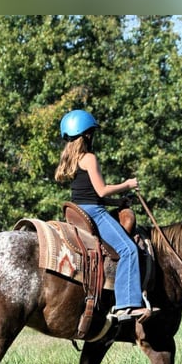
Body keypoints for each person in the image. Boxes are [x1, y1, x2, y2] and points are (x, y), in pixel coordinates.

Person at [55, 109, 155, 322]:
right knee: (128, 250)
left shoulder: (73, 160)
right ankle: (125, 305)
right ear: (88, 135)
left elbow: (87, 195)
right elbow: (100, 191)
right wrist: (127, 184)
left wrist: (116, 203)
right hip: (94, 213)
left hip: (79, 210)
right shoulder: (89, 158)